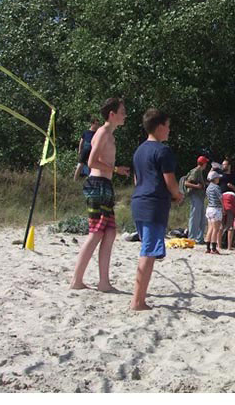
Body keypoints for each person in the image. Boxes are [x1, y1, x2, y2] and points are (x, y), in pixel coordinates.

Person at [70, 98, 130, 291]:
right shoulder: (103, 133)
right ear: (112, 114)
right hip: (97, 184)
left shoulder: (110, 135)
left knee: (110, 232)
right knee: (96, 232)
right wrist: (116, 169)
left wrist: (114, 171)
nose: (125, 115)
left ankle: (104, 282)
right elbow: (91, 161)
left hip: (104, 185)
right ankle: (76, 280)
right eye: (122, 112)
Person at [129, 109, 183, 310]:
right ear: (159, 127)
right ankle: (137, 302)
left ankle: (138, 299)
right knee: (148, 252)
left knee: (147, 249)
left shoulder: (139, 151)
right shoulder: (163, 151)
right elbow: (170, 182)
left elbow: (137, 179)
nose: (169, 130)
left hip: (139, 201)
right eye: (167, 126)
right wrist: (177, 195)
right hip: (153, 204)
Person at [186, 155, 209, 243]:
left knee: (202, 218)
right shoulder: (195, 171)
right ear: (203, 163)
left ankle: (200, 238)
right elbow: (186, 183)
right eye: (206, 162)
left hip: (200, 197)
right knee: (195, 217)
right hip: (195, 196)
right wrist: (196, 186)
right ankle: (192, 238)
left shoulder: (200, 172)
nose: (206, 164)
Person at [204, 170, 223, 254]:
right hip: (216, 209)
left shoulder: (208, 188)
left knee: (210, 229)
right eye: (218, 177)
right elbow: (221, 198)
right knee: (216, 229)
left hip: (209, 208)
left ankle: (208, 248)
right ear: (215, 178)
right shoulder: (216, 187)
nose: (218, 179)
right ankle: (214, 249)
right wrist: (224, 208)